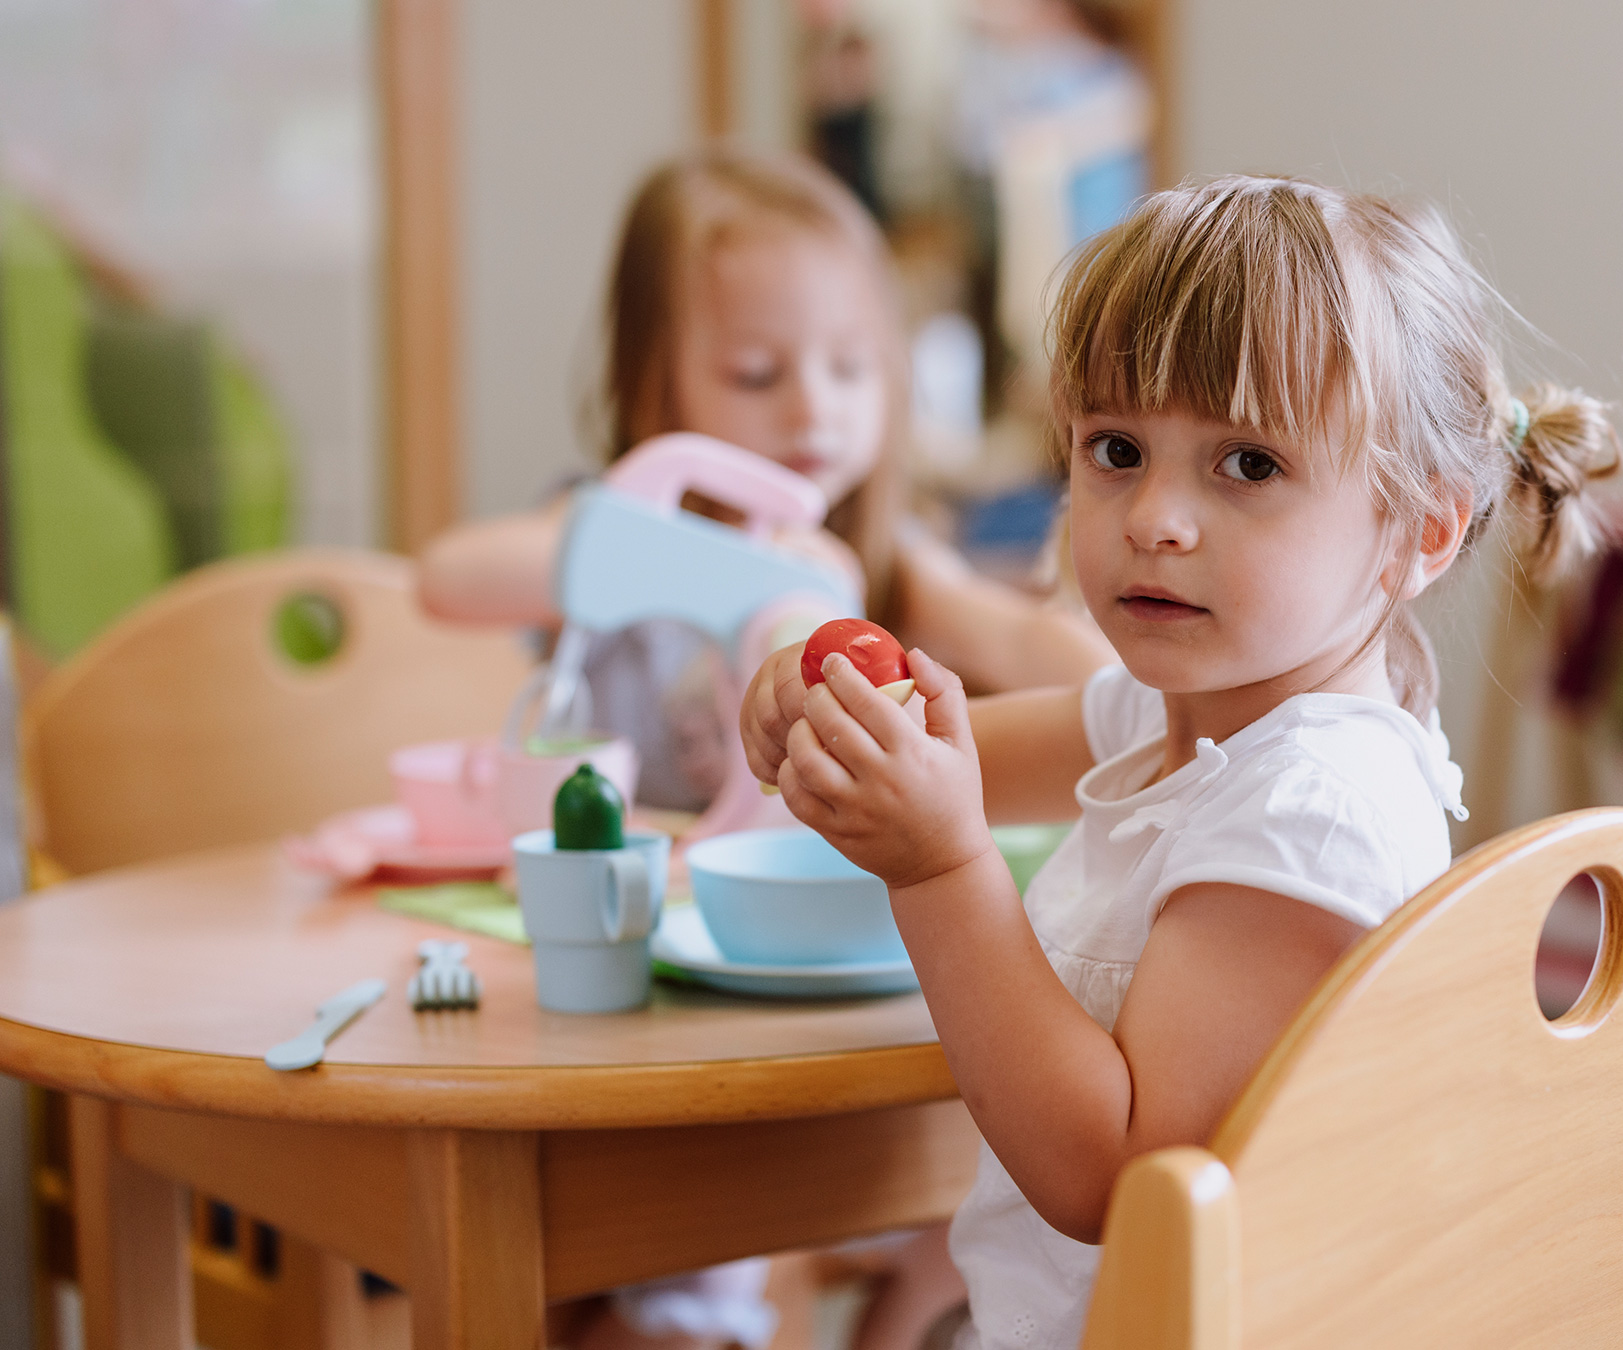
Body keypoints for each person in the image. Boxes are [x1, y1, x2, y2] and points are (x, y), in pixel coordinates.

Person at [739, 174, 1623, 1350]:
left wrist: (941, 868)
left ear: (1419, 531)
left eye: (1247, 465)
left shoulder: (1311, 811)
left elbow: (1113, 1175)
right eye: (1116, 449)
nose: (1154, 516)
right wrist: (838, 708)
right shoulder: (1188, 716)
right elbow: (952, 754)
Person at [420, 148, 1113, 1350]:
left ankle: (889, 1317)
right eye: (756, 372)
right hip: (645, 1019)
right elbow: (449, 577)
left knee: (983, 1184)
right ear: (651, 384)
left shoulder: (888, 563)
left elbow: (1090, 681)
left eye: (850, 369)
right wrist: (687, 562)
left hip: (830, 999)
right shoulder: (618, 520)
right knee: (652, 1282)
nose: (810, 412)